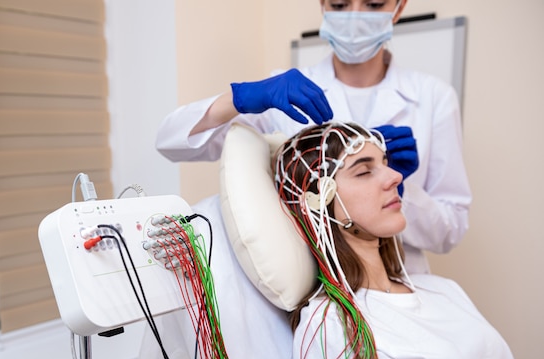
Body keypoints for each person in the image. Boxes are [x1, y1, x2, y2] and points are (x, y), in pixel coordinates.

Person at [273, 120, 544, 359]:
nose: (394, 177)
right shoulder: (335, 329)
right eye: (363, 171)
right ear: (317, 201)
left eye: (384, 163)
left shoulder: (441, 290)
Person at [156, 0, 471, 274]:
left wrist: (400, 188)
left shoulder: (434, 98)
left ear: (399, 7)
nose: (354, 16)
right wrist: (239, 97)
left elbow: (451, 230)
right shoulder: (287, 93)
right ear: (322, 5)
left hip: (401, 279)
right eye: (339, 5)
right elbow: (171, 141)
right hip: (313, 285)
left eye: (374, 5)